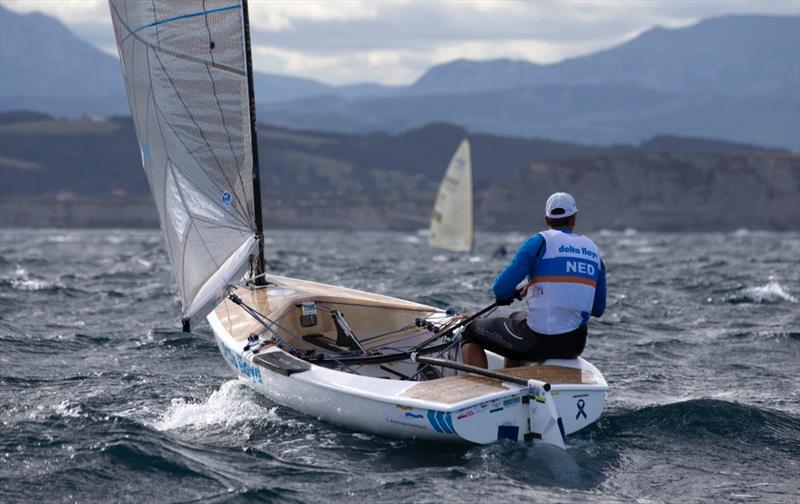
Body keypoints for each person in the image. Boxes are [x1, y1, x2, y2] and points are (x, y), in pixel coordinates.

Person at [461, 192, 606, 368]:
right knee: (516, 317)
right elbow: (597, 309)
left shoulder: (539, 242)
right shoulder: (593, 251)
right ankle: (511, 382)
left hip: (538, 342)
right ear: (573, 219)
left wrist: (510, 293)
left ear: (546, 220)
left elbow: (500, 290)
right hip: (574, 345)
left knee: (469, 331)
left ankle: (481, 390)